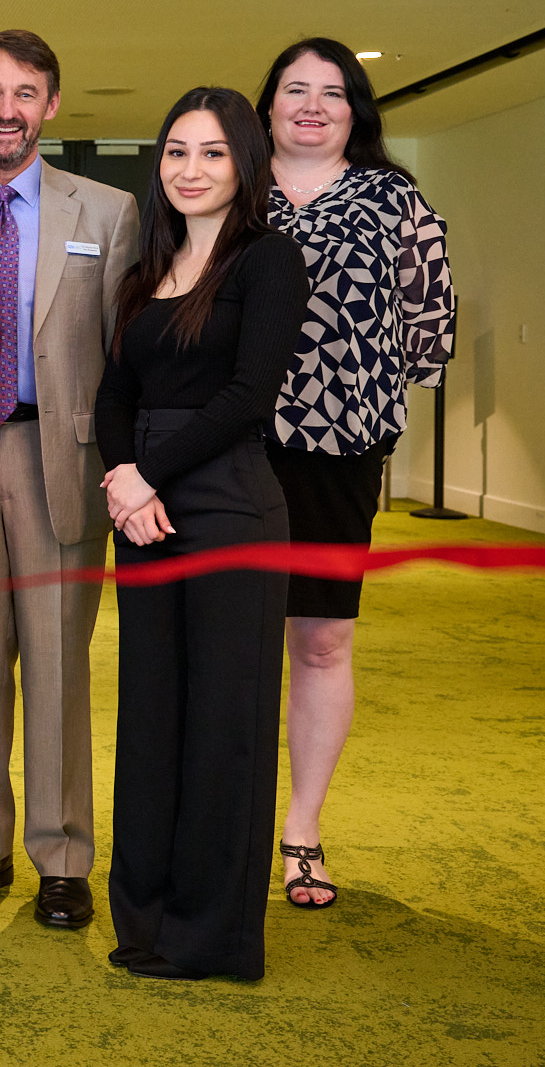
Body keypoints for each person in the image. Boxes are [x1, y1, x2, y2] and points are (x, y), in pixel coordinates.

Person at [0, 30, 139, 929]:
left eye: (26, 92)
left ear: (51, 105)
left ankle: (62, 855)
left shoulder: (110, 213)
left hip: (63, 459)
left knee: (56, 664)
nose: (6, 108)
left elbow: (128, 357)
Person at [95, 87, 310, 981]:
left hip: (227, 506)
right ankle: (145, 919)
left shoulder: (269, 261)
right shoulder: (148, 267)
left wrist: (149, 473)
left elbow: (246, 398)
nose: (190, 170)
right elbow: (116, 391)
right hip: (141, 516)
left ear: (245, 164)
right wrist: (120, 481)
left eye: (213, 153)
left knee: (225, 726)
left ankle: (211, 936)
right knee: (152, 722)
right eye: (177, 152)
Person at [253, 38, 455, 908]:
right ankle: (223, 825)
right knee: (232, 642)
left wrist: (359, 393)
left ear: (355, 110)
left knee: (321, 640)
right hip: (231, 447)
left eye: (332, 93)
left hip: (340, 449)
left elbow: (428, 322)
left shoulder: (394, 197)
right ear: (265, 107)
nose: (311, 105)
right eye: (294, 90)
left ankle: (302, 830)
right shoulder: (227, 186)